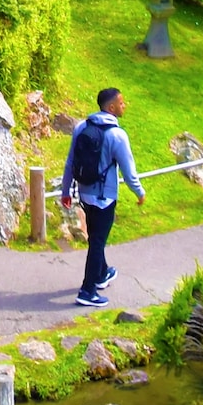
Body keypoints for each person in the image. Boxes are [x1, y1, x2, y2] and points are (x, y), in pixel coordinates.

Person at [58, 87, 144, 308]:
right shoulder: (117, 135)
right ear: (111, 107)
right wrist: (139, 192)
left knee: (96, 236)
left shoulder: (81, 127)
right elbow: (128, 171)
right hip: (105, 198)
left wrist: (66, 191)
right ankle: (88, 290)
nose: (125, 106)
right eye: (122, 103)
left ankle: (103, 272)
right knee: (97, 241)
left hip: (85, 194)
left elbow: (70, 162)